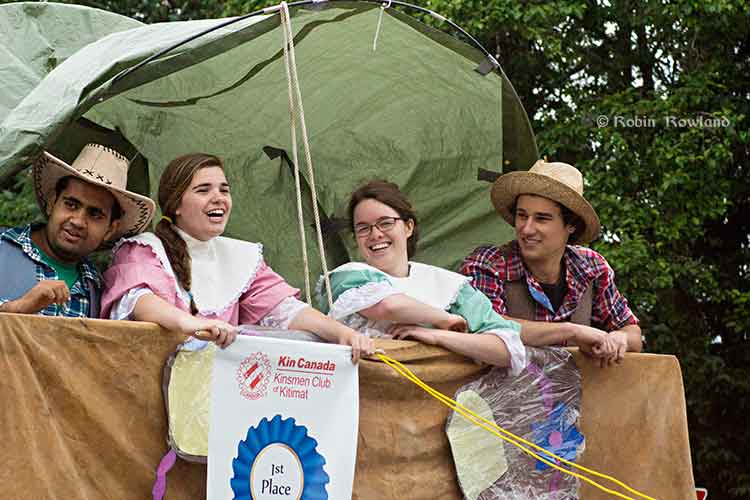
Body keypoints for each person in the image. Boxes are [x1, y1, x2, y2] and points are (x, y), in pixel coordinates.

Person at [101, 153, 373, 360]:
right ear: (176, 205)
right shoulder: (144, 249)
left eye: (224, 189)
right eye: (203, 190)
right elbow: (139, 300)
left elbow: (283, 310)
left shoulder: (241, 257)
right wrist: (192, 323)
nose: (219, 197)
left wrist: (342, 333)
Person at [319, 181, 605, 375]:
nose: (375, 234)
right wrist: (444, 319)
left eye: (385, 223)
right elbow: (387, 307)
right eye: (363, 228)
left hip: (436, 422)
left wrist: (436, 336)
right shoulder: (346, 277)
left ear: (407, 227)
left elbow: (506, 349)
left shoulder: (450, 286)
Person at [461, 160, 642, 367]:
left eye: (542, 219)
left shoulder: (591, 267)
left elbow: (632, 332)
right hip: (500, 397)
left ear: (571, 225)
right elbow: (488, 326)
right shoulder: (489, 263)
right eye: (522, 216)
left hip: (581, 397)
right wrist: (572, 330)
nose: (527, 229)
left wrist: (621, 338)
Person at [0, 144, 155, 318]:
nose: (78, 221)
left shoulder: (99, 292)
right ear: (52, 203)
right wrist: (16, 308)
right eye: (71, 204)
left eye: (95, 214)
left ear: (111, 229)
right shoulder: (2, 248)